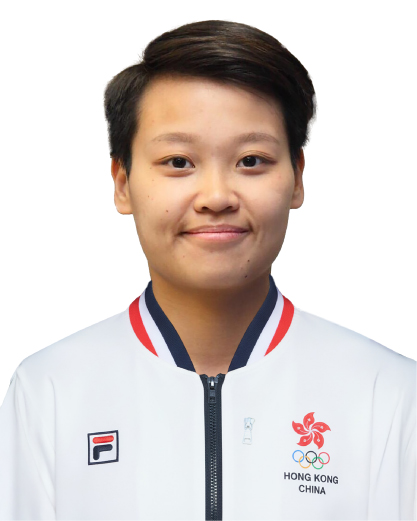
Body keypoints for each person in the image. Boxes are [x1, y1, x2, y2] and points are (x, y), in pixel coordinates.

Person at [0, 19, 415, 521]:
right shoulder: (48, 391)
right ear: (122, 183)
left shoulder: (389, 395)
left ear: (297, 179)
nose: (216, 197)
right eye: (179, 162)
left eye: (251, 160)